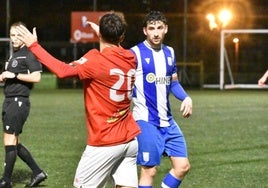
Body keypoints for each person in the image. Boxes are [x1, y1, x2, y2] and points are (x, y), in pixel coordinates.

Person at [16, 12, 141, 187]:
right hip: (130, 141)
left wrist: (34, 46)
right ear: (122, 37)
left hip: (104, 142)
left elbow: (63, 71)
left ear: (101, 34)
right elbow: (115, 48)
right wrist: (104, 33)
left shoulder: (95, 60)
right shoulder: (131, 58)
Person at [130, 11, 193, 188]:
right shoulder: (134, 53)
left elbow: (173, 84)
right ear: (145, 31)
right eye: (151, 28)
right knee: (149, 171)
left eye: (159, 28)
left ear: (166, 29)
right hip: (145, 121)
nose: (156, 33)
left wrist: (186, 97)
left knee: (182, 166)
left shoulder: (170, 52)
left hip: (168, 121)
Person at [0, 22, 47, 187]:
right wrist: (6, 76)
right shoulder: (16, 54)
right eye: (12, 35)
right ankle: (37, 172)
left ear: (24, 35)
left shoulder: (29, 53)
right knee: (12, 141)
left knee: (10, 140)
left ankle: (6, 180)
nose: (14, 38)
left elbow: (36, 77)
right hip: (10, 100)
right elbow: (13, 75)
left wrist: (13, 75)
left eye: (17, 35)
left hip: (18, 101)